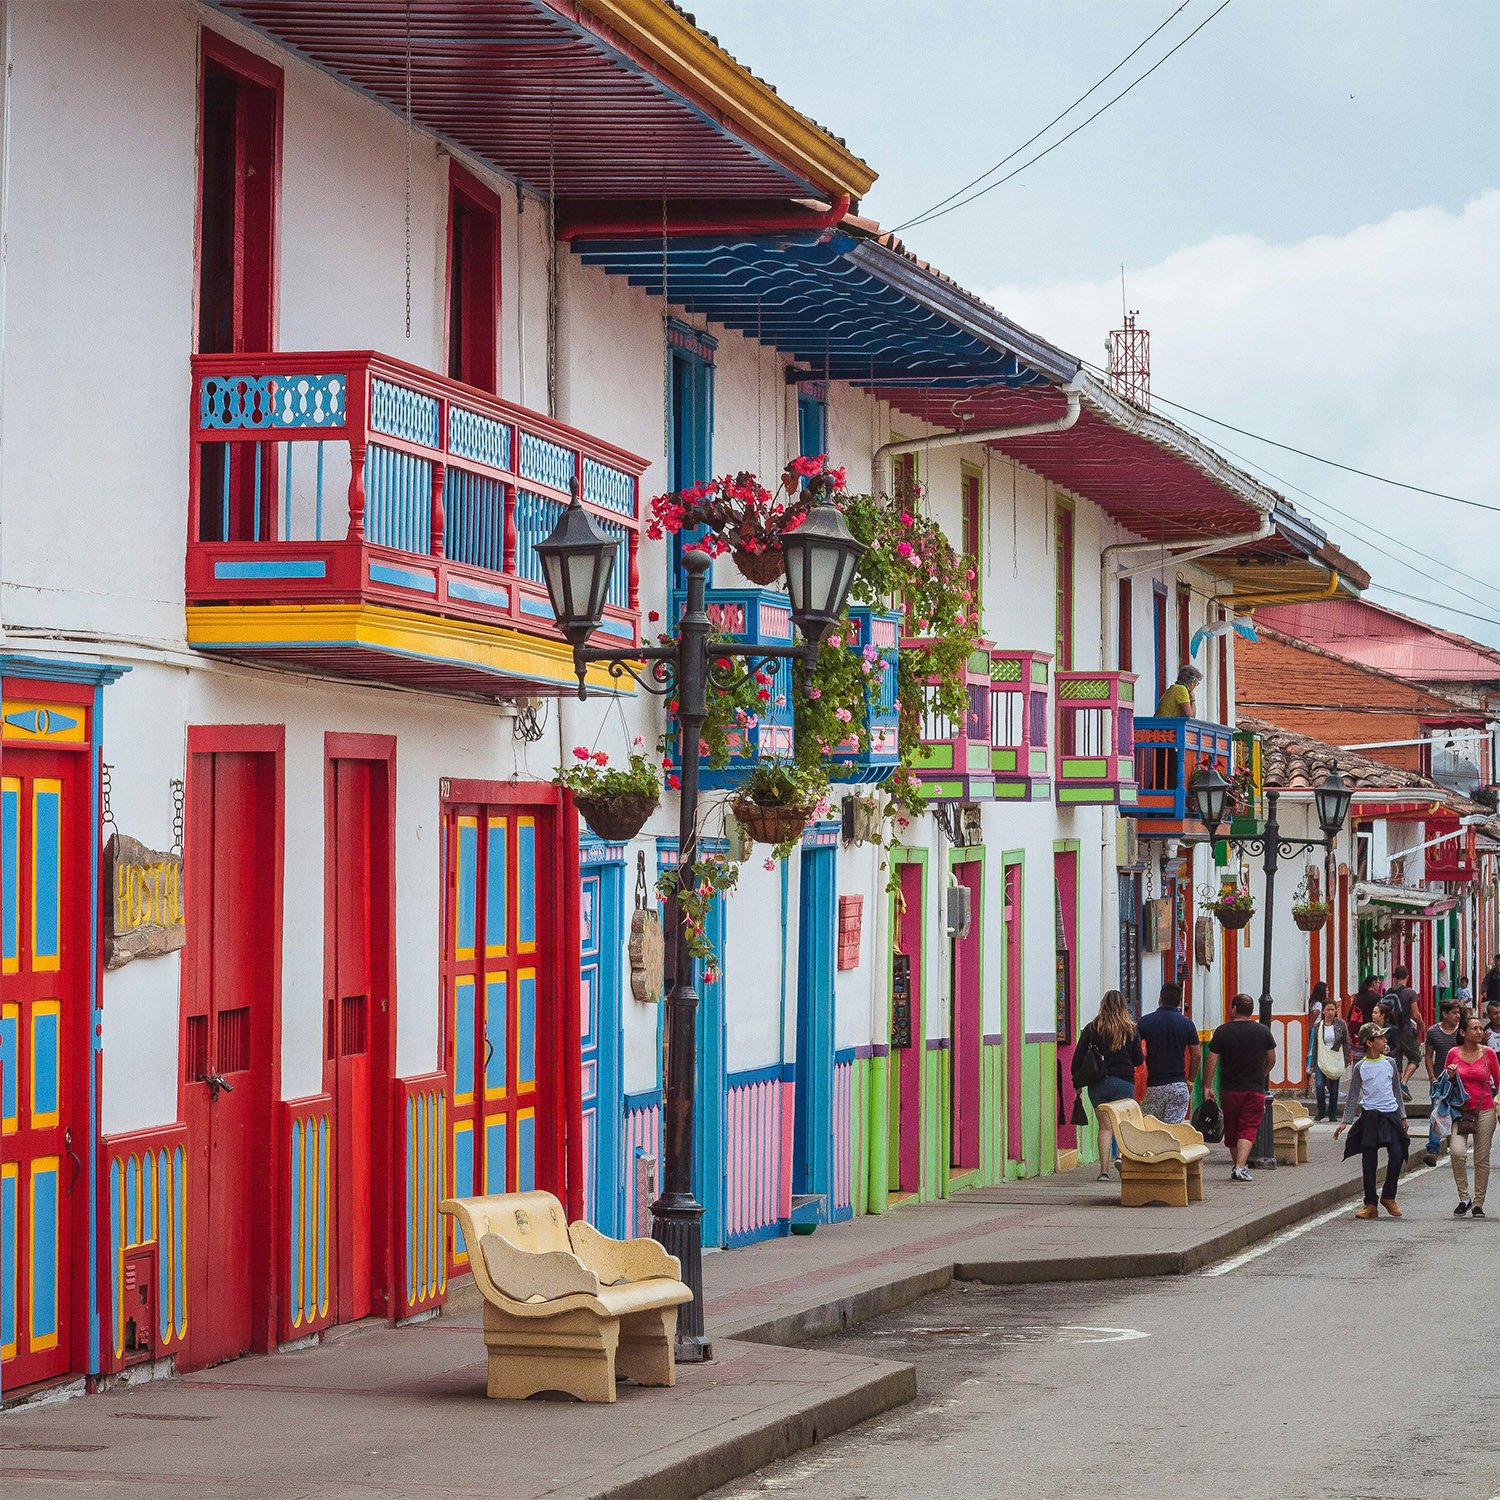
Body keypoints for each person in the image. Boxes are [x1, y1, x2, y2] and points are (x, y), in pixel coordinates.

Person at [1337, 1022, 1409, 1218]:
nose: (1385, 1041)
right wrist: (1346, 1121)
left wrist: (1402, 1115)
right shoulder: (1360, 1067)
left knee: (1397, 1153)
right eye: (1381, 1038)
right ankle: (1370, 1204)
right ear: (1369, 1042)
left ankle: (1388, 1195)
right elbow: (1353, 1095)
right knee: (1369, 1161)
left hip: (1391, 1114)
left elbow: (1396, 1091)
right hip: (1370, 1116)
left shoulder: (1390, 1063)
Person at [1205, 993, 1277, 1182]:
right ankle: (1239, 1167)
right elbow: (1272, 1059)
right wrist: (1261, 1074)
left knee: (1232, 1129)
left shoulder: (1222, 1031)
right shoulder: (1263, 1031)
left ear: (1234, 1008)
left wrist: (1206, 1086)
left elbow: (1211, 1060)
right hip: (1254, 1089)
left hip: (1229, 1090)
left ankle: (1238, 1166)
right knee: (1248, 1127)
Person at [1076, 990, 1144, 1181]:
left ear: (1103, 1005)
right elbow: (1138, 1060)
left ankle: (1104, 1171)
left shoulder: (1092, 1029)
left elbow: (1078, 1058)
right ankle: (1121, 1159)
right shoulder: (1131, 1029)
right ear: (1123, 1006)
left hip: (1098, 1083)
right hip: (1123, 1083)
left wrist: (1077, 1083)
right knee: (1123, 1126)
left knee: (1105, 1127)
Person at [1445, 1013, 1500, 1217]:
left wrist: (1499, 1107)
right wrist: (1449, 1076)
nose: (1480, 1032)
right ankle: (1464, 1197)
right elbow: (1444, 1085)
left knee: (1481, 1158)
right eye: (1474, 1029)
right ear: (1462, 1032)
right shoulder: (1453, 1053)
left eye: (1480, 1028)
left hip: (1485, 1109)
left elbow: (1499, 1081)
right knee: (1457, 1152)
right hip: (1460, 1111)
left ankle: (1478, 1203)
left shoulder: (1489, 1054)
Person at [1138, 981, 1201, 1124]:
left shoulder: (1146, 1022)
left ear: (1160, 998)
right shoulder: (1187, 1024)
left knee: (1149, 1127)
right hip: (1178, 1085)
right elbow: (1196, 1055)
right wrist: (1190, 1081)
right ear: (1179, 1001)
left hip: (1155, 1085)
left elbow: (1134, 1048)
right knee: (1173, 1132)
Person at [1423, 999, 1468, 1163]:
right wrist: (1432, 1077)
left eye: (1459, 1013)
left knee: (1459, 1114)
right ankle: (1433, 1149)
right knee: (1437, 1113)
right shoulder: (1433, 1032)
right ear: (1444, 1014)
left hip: (1459, 1081)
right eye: (1454, 1013)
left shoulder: (1462, 1032)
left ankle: (1456, 1146)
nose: (1458, 1016)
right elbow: (1428, 1055)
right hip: (1440, 1081)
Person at [1382, 966, 1422, 1099]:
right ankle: (1403, 1083)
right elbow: (1415, 1014)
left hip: (1391, 1032)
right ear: (1407, 977)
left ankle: (1397, 1089)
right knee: (1415, 1057)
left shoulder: (1388, 992)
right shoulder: (1410, 993)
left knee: (1396, 1059)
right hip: (1405, 1030)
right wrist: (1422, 1025)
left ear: (1395, 977)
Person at [1307, 1001, 1351, 1122]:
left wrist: (1347, 1057)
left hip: (1335, 1057)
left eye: (1333, 1010)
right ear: (1323, 1011)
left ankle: (1332, 1113)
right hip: (1321, 1058)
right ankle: (1321, 1111)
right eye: (1328, 1010)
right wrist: (1312, 1064)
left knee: (1334, 1087)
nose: (1331, 1012)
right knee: (1320, 1085)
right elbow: (1315, 1045)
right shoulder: (1318, 1027)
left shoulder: (1341, 1024)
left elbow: (1346, 1042)